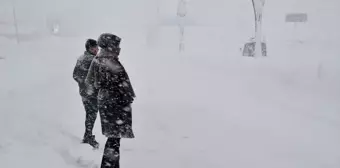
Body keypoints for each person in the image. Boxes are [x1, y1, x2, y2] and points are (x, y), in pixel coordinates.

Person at [85, 33, 135, 168]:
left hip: (108, 102)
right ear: (110, 46)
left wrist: (100, 90)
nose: (119, 48)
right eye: (116, 46)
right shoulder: (108, 61)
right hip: (113, 104)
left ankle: (110, 165)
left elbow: (89, 81)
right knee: (114, 139)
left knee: (113, 138)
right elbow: (120, 84)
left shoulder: (99, 60)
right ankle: (109, 165)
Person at [73, 39, 100, 148]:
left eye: (97, 48)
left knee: (90, 114)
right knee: (91, 114)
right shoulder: (93, 60)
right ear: (89, 48)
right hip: (91, 93)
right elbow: (97, 78)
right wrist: (89, 84)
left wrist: (83, 84)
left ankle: (87, 135)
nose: (96, 50)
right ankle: (88, 136)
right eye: (94, 48)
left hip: (85, 93)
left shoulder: (81, 58)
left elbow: (75, 75)